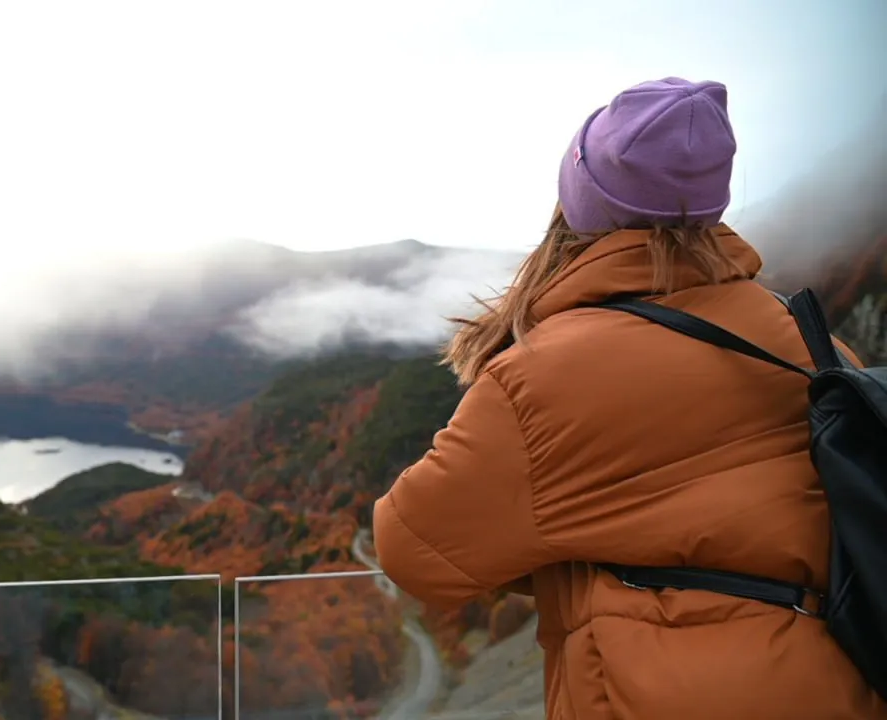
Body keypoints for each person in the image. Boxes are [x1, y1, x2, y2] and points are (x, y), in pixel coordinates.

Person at [372, 77, 887, 720]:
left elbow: (411, 550)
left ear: (577, 201)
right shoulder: (815, 344)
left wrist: (566, 538)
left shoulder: (536, 381)